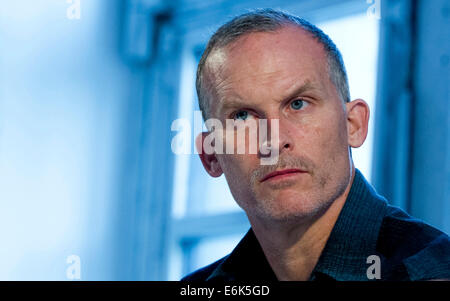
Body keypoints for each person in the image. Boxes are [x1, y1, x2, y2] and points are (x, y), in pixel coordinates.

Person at [181, 9, 450, 281]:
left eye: (298, 104)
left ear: (353, 125)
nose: (274, 141)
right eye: (242, 116)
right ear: (211, 156)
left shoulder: (433, 270)